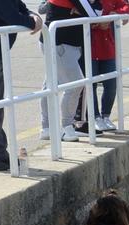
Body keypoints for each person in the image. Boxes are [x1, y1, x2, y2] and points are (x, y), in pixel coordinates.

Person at [39, 0, 101, 143]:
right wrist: (85, 10)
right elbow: (95, 14)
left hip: (65, 43)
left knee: (51, 83)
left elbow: (96, 9)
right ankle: (67, 127)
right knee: (75, 84)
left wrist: (86, 9)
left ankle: (46, 127)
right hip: (60, 43)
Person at [0, 0, 40, 170]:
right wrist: (31, 21)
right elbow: (11, 15)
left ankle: (0, 154)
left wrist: (32, 15)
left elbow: (19, 7)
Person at [84, 0, 129, 132]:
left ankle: (106, 116)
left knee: (111, 84)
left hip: (107, 47)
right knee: (90, 85)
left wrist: (114, 14)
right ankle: (95, 117)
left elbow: (127, 6)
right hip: (89, 47)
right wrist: (98, 23)